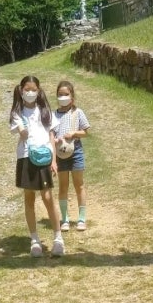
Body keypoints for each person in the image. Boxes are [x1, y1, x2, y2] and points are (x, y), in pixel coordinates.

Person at [9, 75, 65, 257]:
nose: (30, 93)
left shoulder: (44, 110)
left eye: (34, 90)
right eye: (27, 90)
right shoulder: (17, 112)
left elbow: (51, 134)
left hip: (44, 156)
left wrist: (54, 160)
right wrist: (22, 129)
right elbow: (21, 133)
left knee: (48, 197)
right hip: (26, 157)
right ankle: (35, 240)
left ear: (39, 91)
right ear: (21, 90)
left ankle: (58, 238)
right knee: (29, 198)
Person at [54, 79, 91, 232]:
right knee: (63, 186)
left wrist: (74, 133)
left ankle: (81, 218)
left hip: (76, 152)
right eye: (60, 94)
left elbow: (86, 131)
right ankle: (65, 219)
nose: (63, 97)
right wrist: (55, 140)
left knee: (79, 184)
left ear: (72, 97)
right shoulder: (53, 115)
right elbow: (51, 134)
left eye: (66, 94)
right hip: (60, 155)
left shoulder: (78, 112)